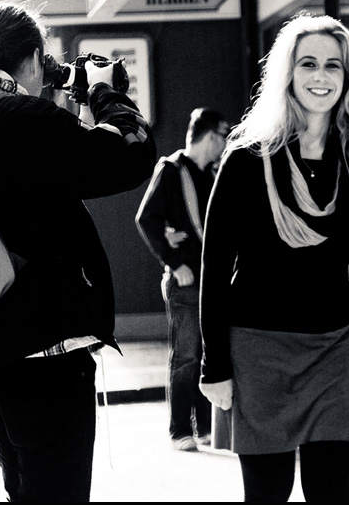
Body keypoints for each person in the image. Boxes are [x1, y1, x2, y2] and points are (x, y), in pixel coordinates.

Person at [0, 1, 155, 502]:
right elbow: (131, 155)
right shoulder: (21, 119)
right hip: (45, 362)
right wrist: (105, 93)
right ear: (33, 58)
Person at [198, 13, 349, 502]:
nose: (320, 76)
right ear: (288, 74)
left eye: (333, 65)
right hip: (258, 350)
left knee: (331, 492)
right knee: (268, 493)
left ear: (348, 78)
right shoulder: (246, 160)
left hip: (336, 350)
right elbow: (214, 268)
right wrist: (214, 365)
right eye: (308, 64)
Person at [135, 107, 230, 451]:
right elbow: (146, 218)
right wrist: (174, 263)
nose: (225, 144)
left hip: (212, 281)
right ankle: (180, 430)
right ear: (211, 136)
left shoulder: (213, 174)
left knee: (208, 355)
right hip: (186, 281)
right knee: (186, 356)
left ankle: (205, 427)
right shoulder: (171, 169)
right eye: (223, 136)